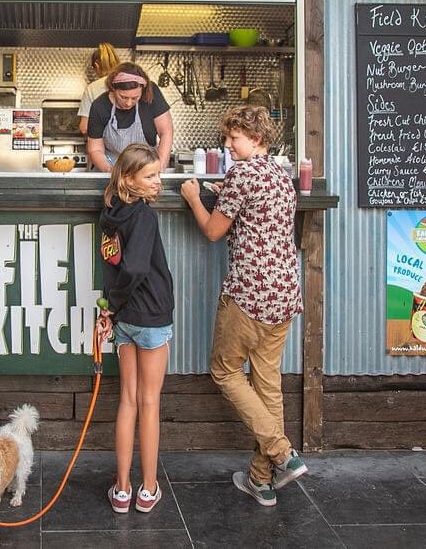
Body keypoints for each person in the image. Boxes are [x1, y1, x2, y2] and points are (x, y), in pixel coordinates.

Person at [179, 106, 308, 507]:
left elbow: (214, 231)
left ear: (257, 140)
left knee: (225, 370)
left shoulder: (241, 174)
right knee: (267, 383)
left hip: (250, 295)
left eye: (235, 138)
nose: (228, 145)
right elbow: (256, 213)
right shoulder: (279, 176)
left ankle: (282, 452)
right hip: (285, 293)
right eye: (229, 137)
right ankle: (261, 479)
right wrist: (222, 195)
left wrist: (191, 197)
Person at [97, 144, 174, 515]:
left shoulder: (109, 212)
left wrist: (111, 309)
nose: (158, 182)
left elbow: (111, 266)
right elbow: (135, 268)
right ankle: (148, 488)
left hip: (124, 317)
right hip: (151, 317)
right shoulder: (144, 217)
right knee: (149, 402)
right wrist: (114, 306)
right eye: (150, 176)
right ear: (129, 178)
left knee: (127, 400)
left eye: (158, 174)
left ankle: (122, 489)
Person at [86, 62, 173, 173]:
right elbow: (95, 149)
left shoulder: (151, 95)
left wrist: (158, 170)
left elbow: (166, 132)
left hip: (146, 169)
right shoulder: (100, 106)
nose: (128, 103)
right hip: (113, 168)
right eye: (123, 97)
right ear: (113, 88)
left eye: (135, 98)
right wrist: (111, 172)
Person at [78, 43, 120, 136]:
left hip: (102, 147)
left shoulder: (92, 88)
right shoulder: (131, 83)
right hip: (132, 148)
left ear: (97, 65)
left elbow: (84, 128)